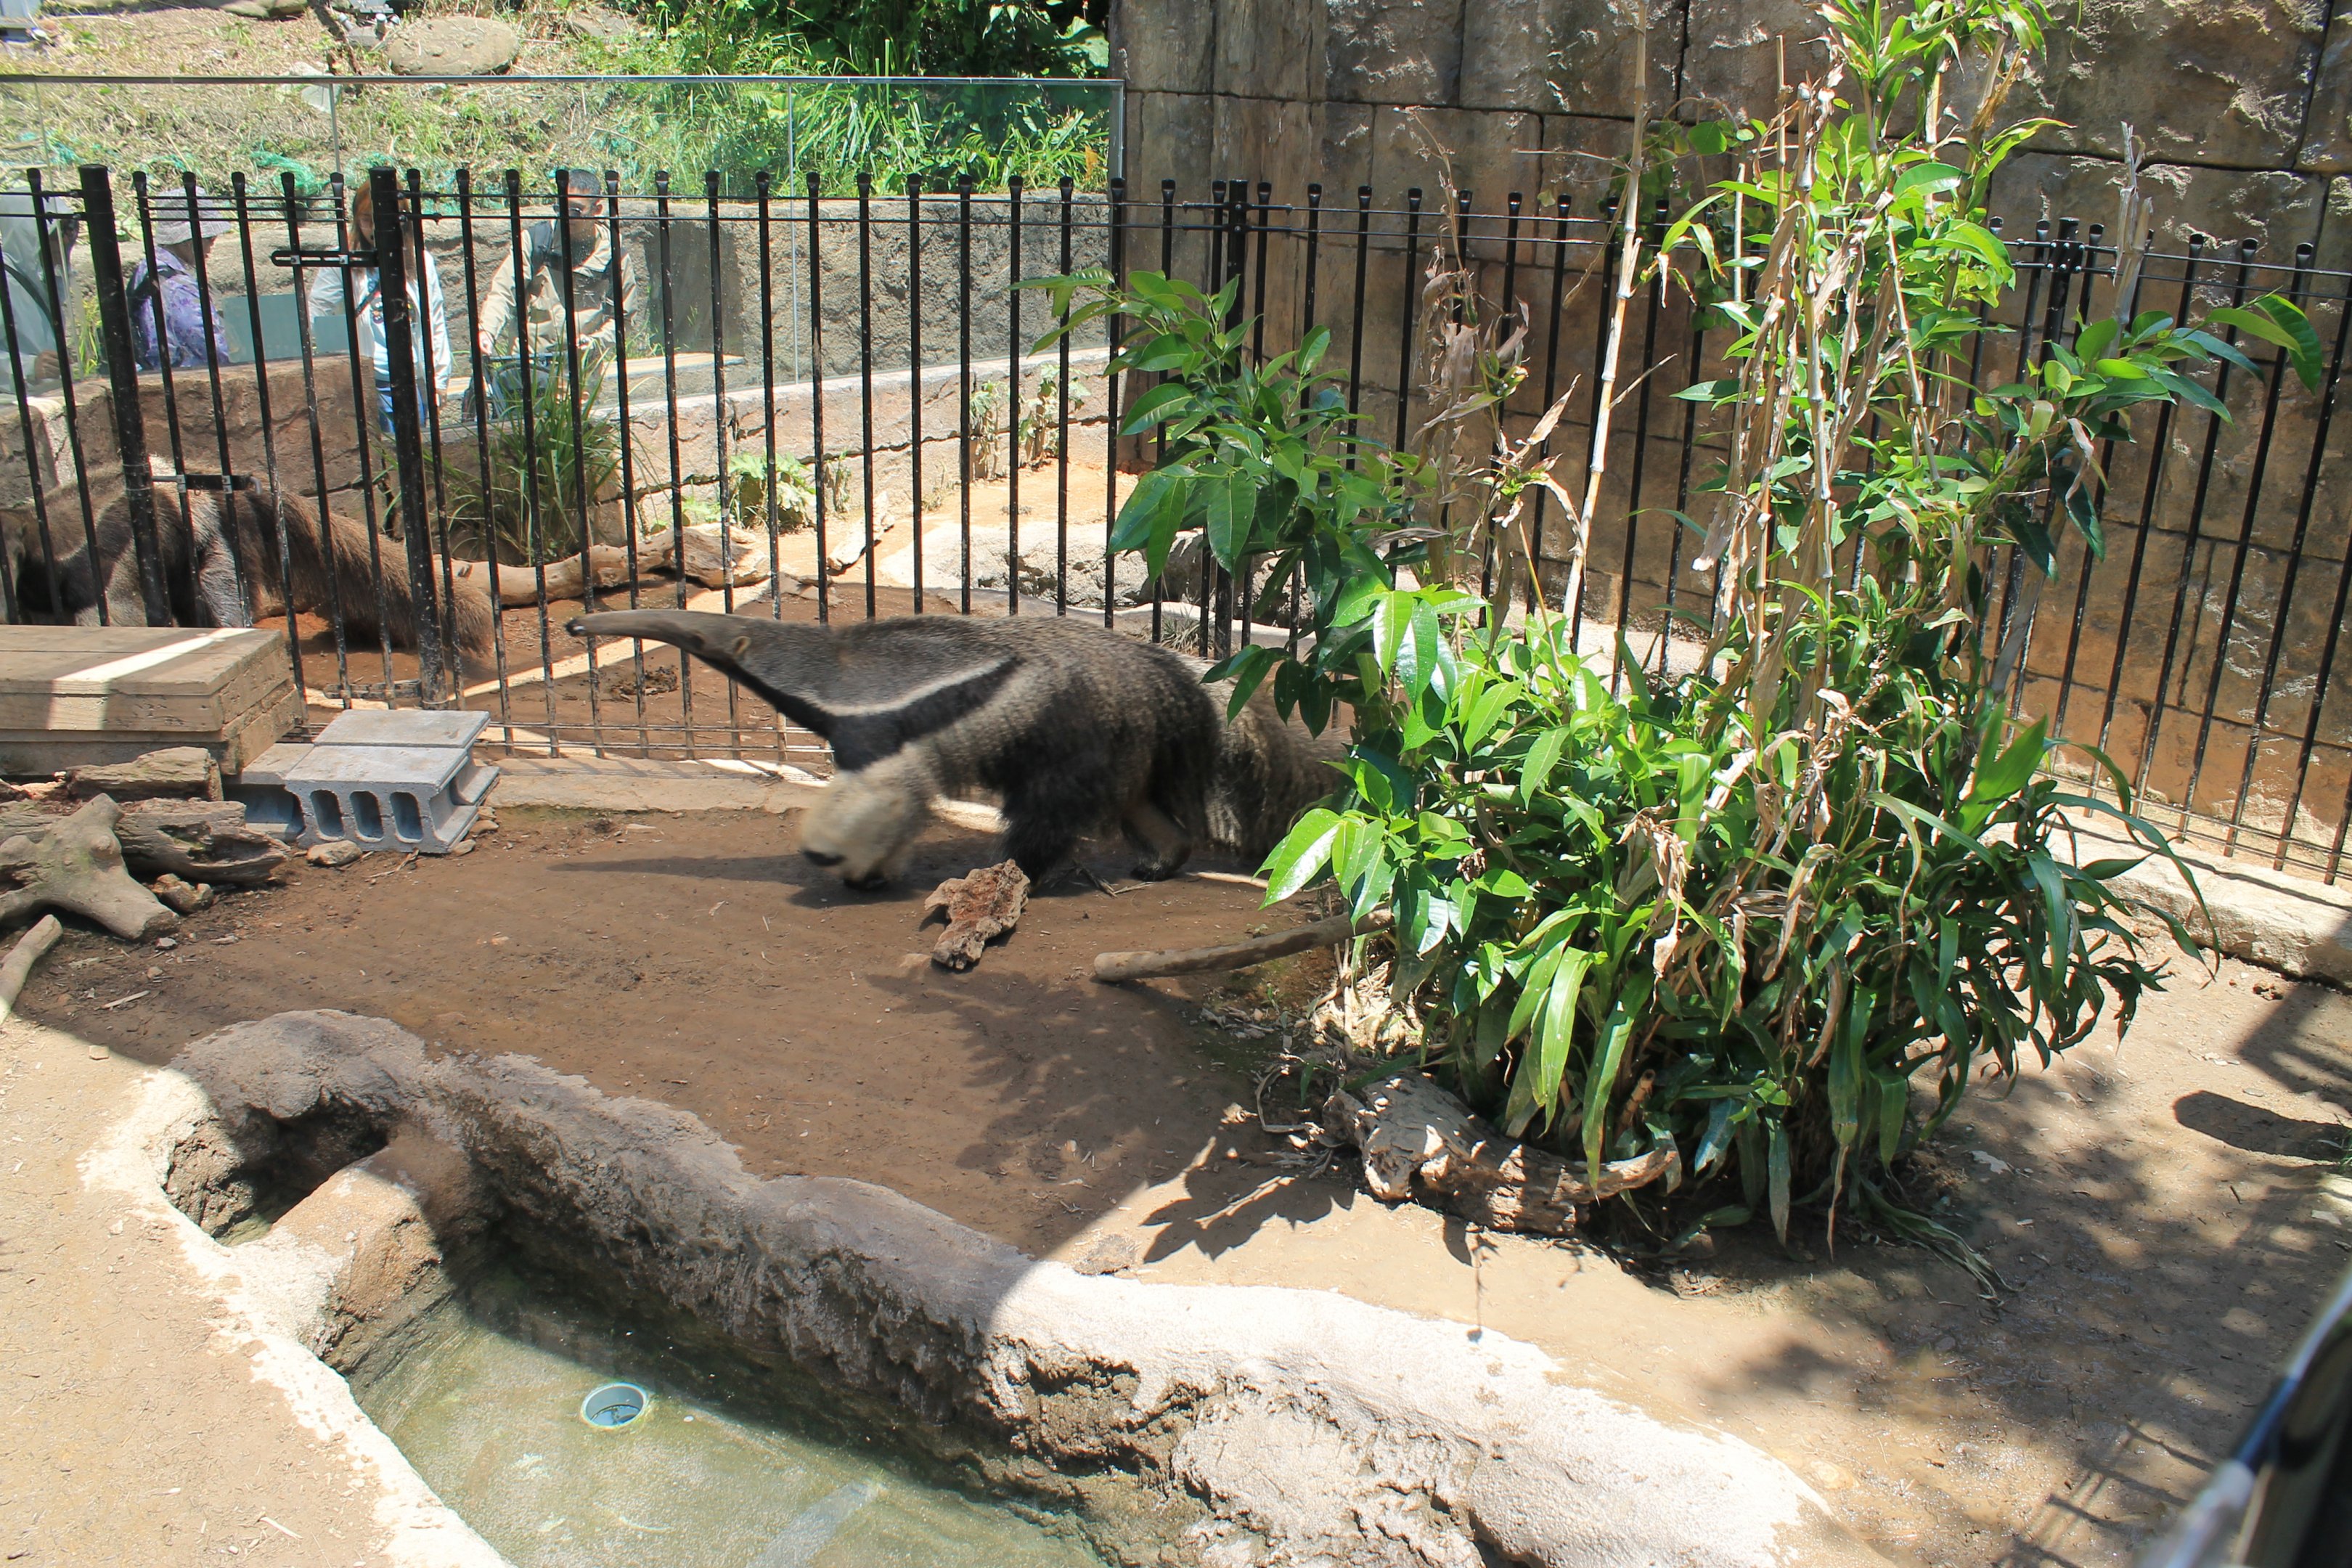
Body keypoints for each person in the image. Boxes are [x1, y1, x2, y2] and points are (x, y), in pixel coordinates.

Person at [305, 176, 452, 435]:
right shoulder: (345, 260)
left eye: (384, 220)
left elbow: (434, 320)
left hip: (410, 377)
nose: (375, 229)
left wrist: (439, 380)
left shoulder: (420, 261)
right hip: (369, 379)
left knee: (413, 453)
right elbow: (316, 310)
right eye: (367, 220)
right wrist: (338, 360)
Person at [473, 169, 635, 391]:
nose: (567, 217)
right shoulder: (537, 241)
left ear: (597, 210)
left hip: (580, 375)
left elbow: (623, 319)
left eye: (576, 211)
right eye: (561, 208)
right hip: (528, 370)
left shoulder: (614, 256)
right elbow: (503, 291)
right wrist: (487, 331)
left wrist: (595, 342)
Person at [127, 185, 232, 371]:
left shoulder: (148, 269)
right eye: (210, 239)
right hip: (187, 380)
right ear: (188, 240)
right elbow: (212, 346)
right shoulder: (179, 287)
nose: (211, 247)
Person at [0, 190, 78, 390]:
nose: (67, 241)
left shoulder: (47, 278)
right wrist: (29, 366)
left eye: (71, 228)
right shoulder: (6, 284)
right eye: (57, 233)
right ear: (29, 236)